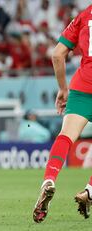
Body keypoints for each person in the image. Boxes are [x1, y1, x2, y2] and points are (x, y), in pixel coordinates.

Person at [33, 5, 92, 223]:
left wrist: (63, 89)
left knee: (65, 136)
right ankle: (89, 191)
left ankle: (48, 179)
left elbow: (58, 54)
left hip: (82, 85)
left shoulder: (85, 15)